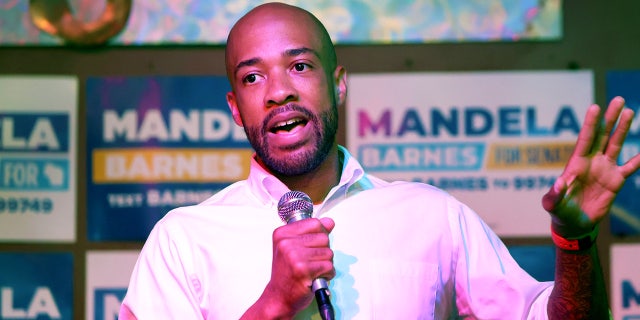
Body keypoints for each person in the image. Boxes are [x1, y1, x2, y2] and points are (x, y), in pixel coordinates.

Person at [119, 2, 640, 319]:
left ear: (339, 84)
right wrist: (272, 307)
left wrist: (575, 243)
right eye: (252, 77)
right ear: (235, 107)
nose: (278, 91)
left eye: (299, 65)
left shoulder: (431, 215)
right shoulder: (183, 239)